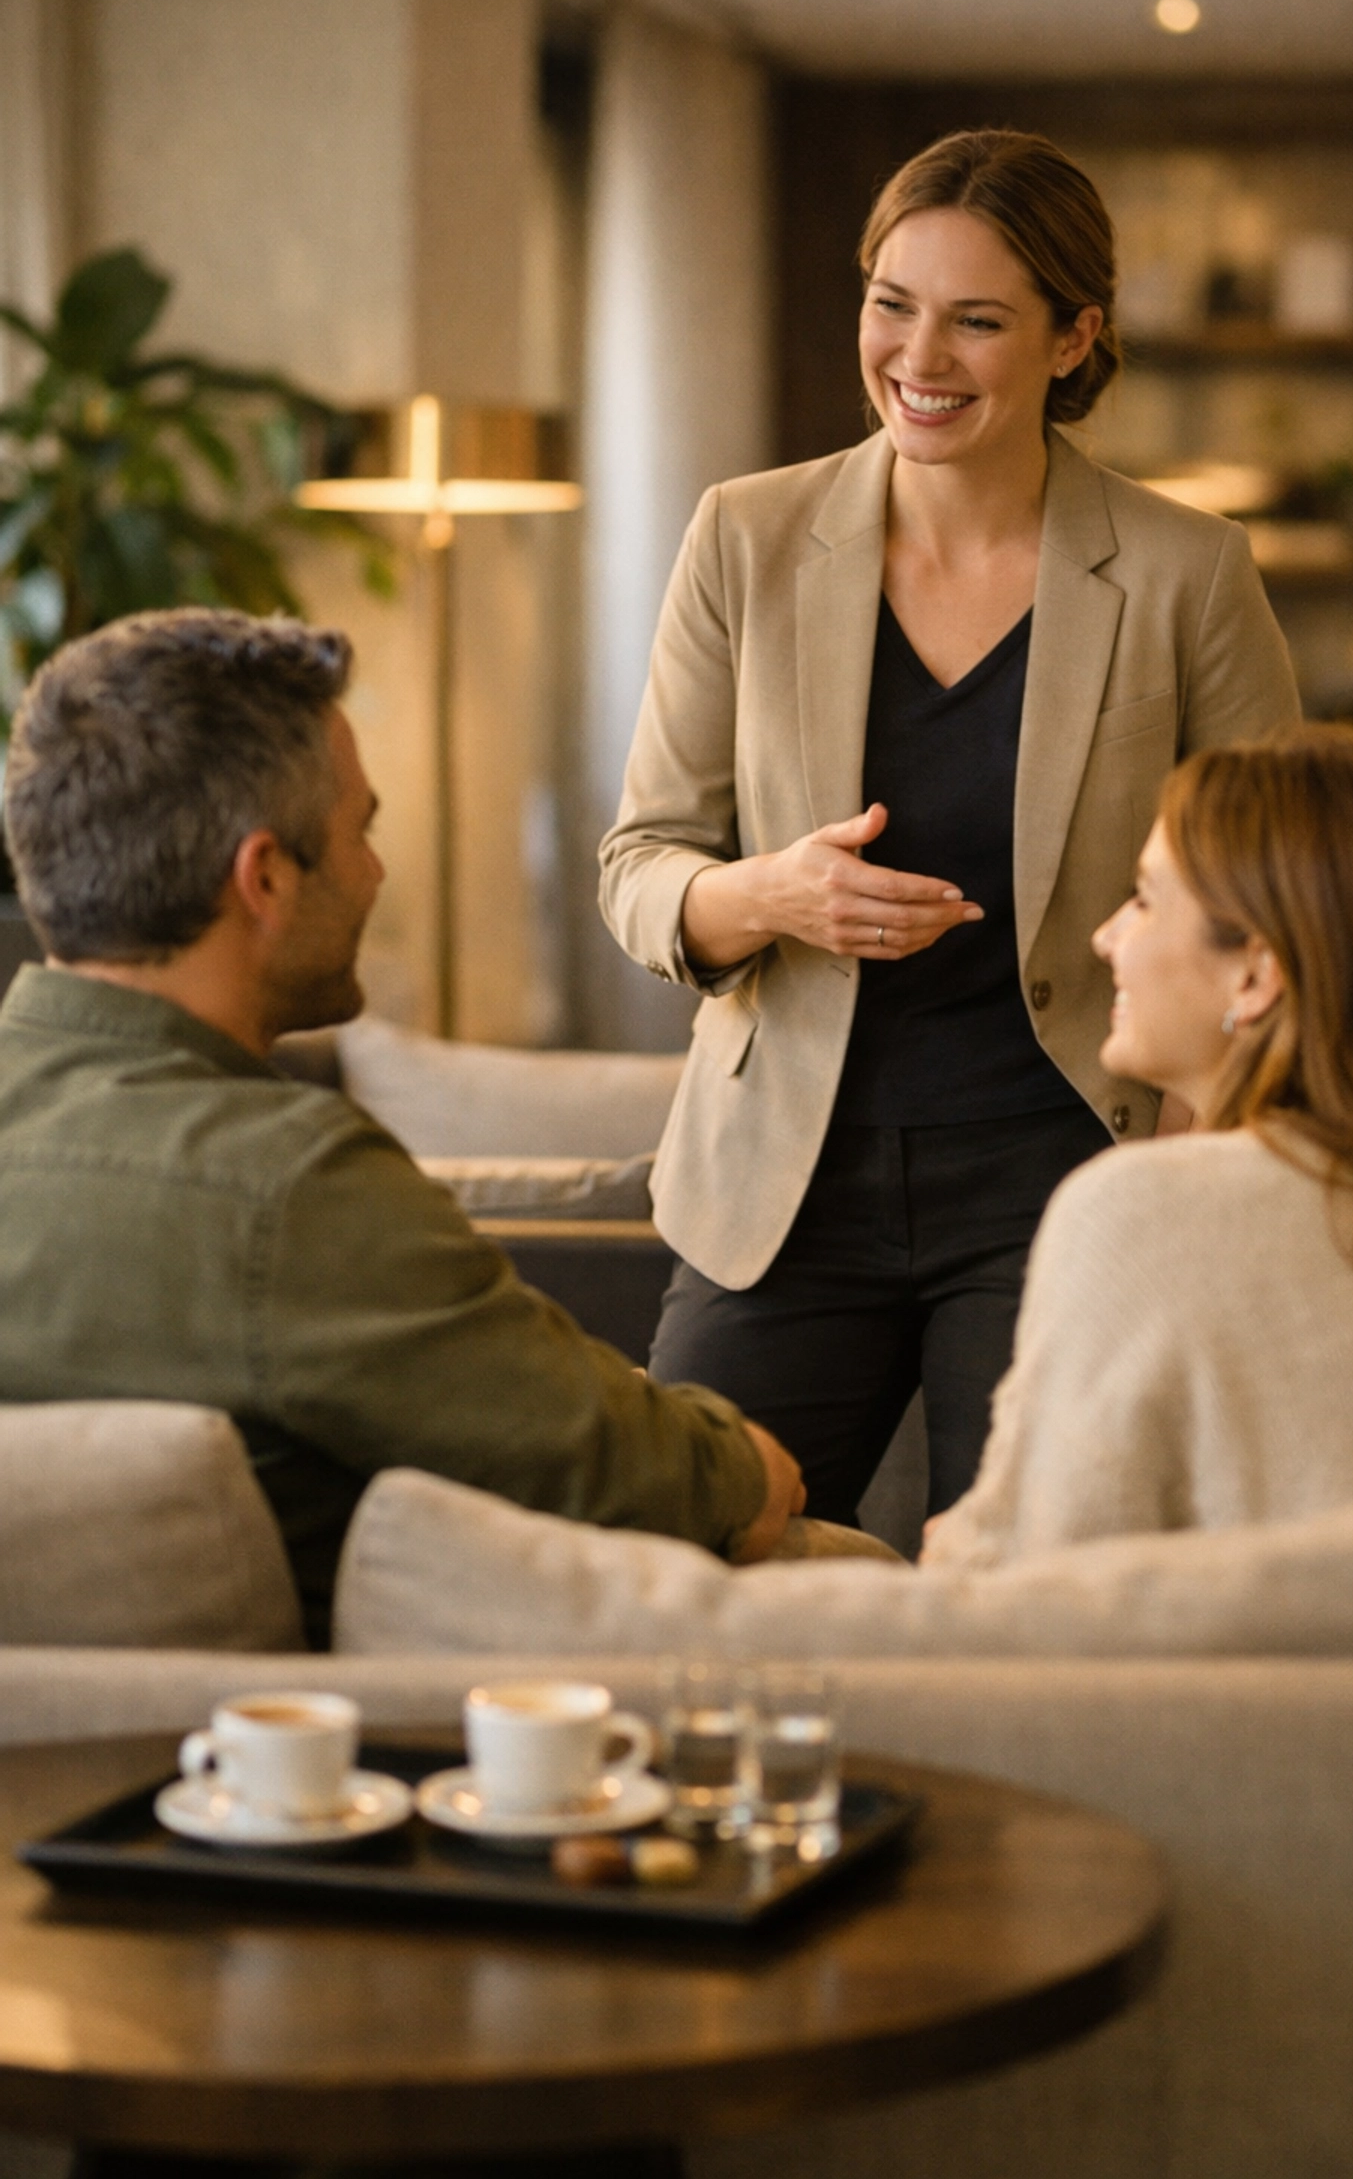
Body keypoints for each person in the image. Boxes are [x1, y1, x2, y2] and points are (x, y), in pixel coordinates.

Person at [600, 126, 1300, 1527]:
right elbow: (643, 864)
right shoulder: (744, 536)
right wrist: (769, 898)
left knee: (1025, 1604)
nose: (919, 357)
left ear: (1071, 338)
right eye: (891, 304)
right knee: (677, 1563)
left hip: (1066, 1171)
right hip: (783, 1179)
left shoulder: (1183, 571)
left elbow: (1288, 885)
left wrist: (1186, 1132)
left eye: (978, 320)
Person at [0, 609, 804, 1643]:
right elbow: (637, 1479)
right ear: (266, 878)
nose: (375, 874)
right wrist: (744, 1460)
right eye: (360, 832)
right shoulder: (294, 1187)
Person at [923, 725, 1353, 1569]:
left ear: (1255, 976)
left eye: (1142, 898)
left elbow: (1025, 1586)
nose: (1106, 937)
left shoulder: (1138, 1216)